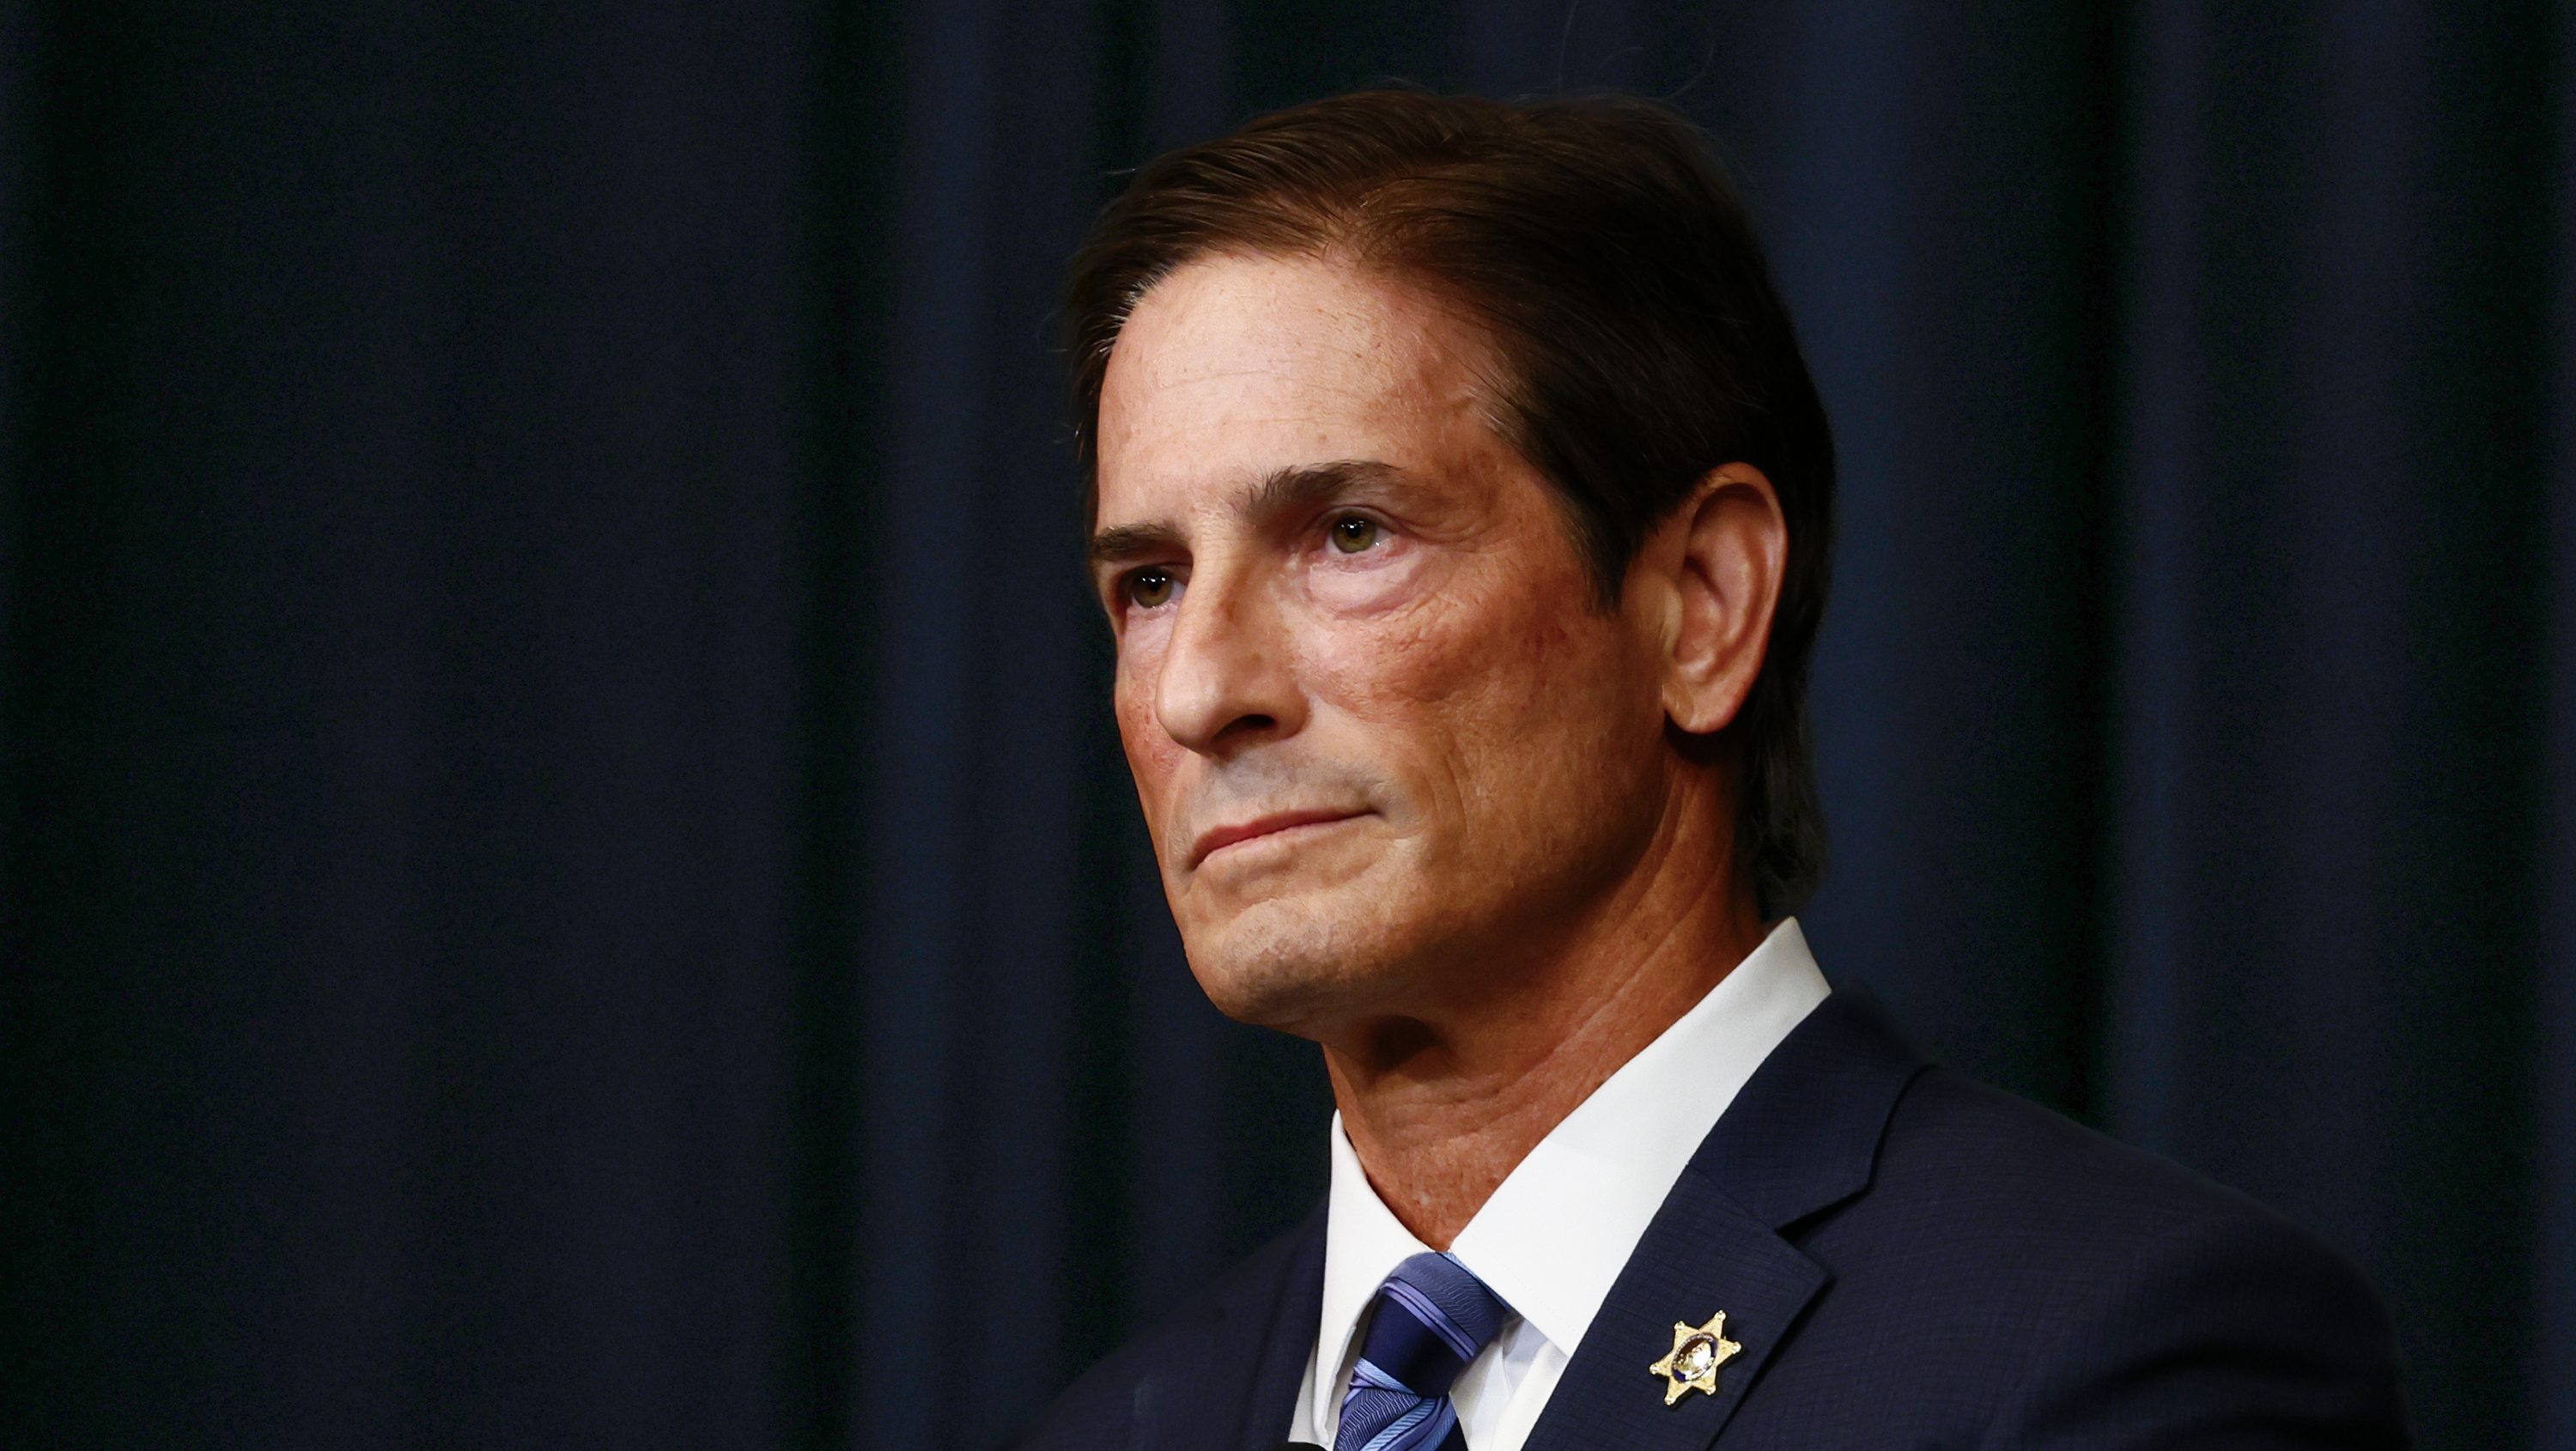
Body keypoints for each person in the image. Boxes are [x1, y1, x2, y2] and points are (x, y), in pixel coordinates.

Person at [1012, 88, 2409, 1450]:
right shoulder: (1117, 1424)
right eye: (1151, 582)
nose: (1199, 689)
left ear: (1703, 605)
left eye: (1351, 533)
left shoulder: (2126, 1353)